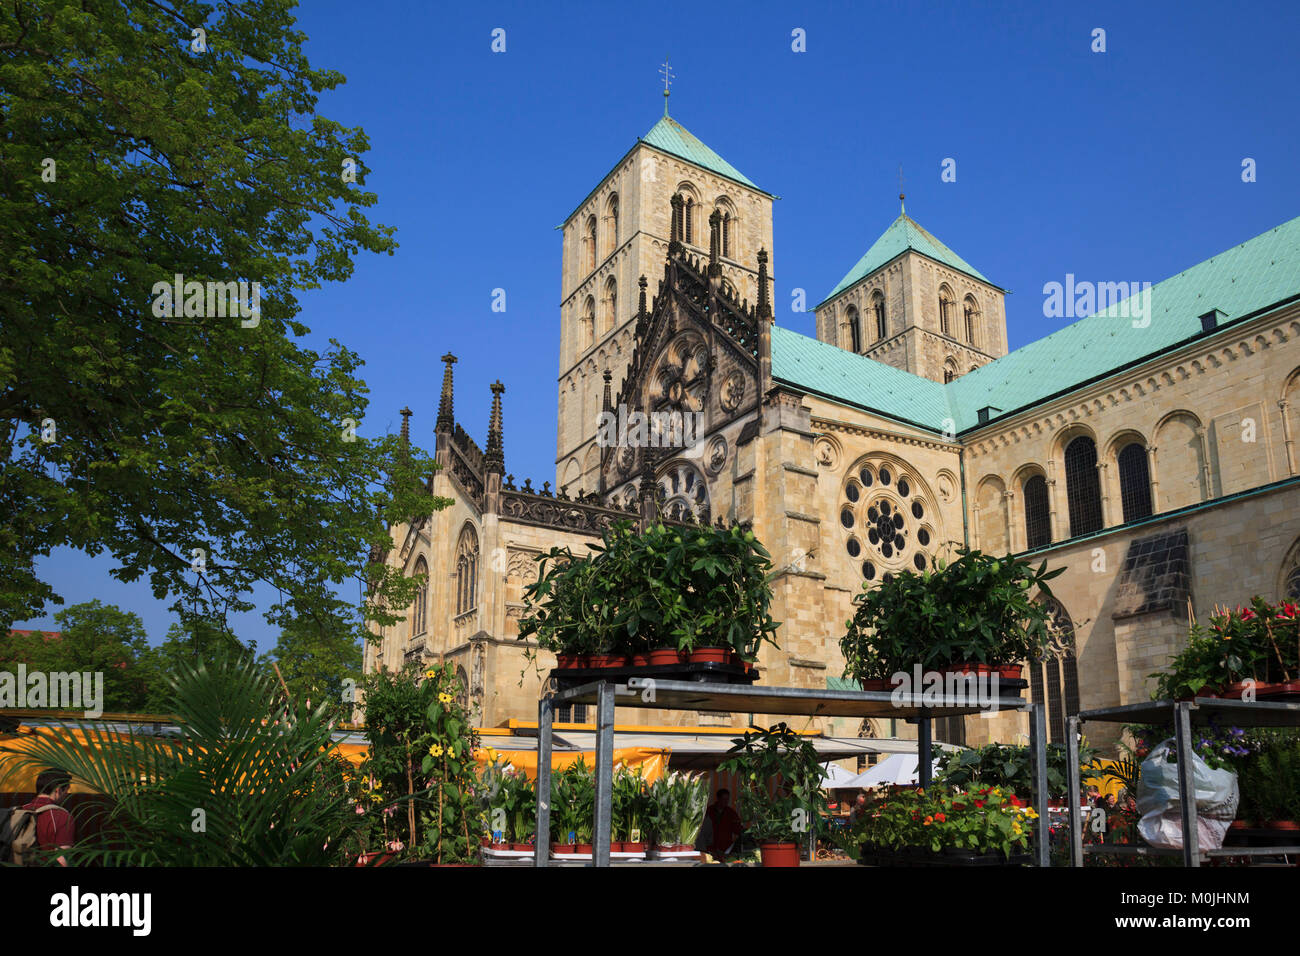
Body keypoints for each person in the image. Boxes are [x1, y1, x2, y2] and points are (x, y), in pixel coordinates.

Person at [20, 768, 75, 866]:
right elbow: (62, 861)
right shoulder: (62, 816)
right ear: (58, 790)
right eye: (67, 789)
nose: (67, 794)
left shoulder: (19, 811)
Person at [704, 789, 744, 860]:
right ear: (718, 799)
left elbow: (738, 830)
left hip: (726, 850)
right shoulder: (709, 811)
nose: (725, 802)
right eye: (723, 799)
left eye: (727, 799)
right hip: (710, 849)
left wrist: (745, 832)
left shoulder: (731, 813)